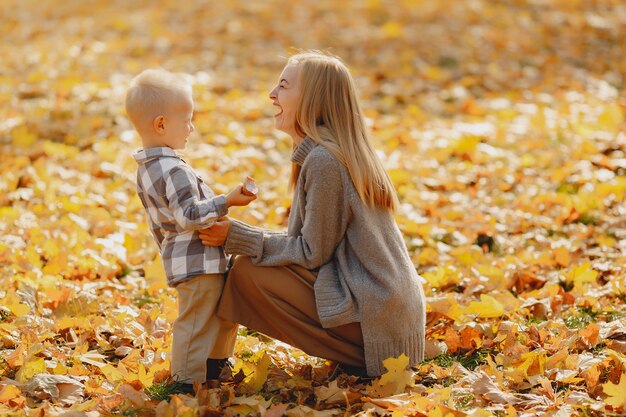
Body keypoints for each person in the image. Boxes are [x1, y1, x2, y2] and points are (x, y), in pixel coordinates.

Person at [198, 51, 426, 377]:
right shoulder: (331, 153)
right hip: (387, 313)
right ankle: (214, 358)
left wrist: (237, 237)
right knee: (249, 261)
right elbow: (312, 245)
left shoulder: (325, 161)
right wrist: (241, 236)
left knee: (248, 270)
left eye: (284, 86)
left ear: (312, 99)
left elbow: (310, 252)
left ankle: (212, 363)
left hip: (381, 327)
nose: (272, 94)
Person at [125, 69, 255, 393]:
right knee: (197, 320)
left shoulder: (147, 169)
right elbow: (188, 215)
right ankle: (185, 381)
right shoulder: (174, 169)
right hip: (197, 260)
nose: (191, 127)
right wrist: (227, 201)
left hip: (195, 258)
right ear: (161, 125)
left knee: (221, 313)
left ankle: (213, 366)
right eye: (187, 120)